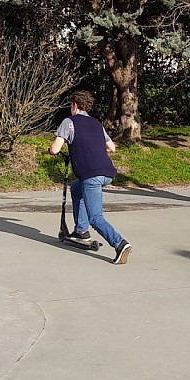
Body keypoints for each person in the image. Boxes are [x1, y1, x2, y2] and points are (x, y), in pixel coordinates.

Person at [48, 90, 132, 265]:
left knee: (96, 217)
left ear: (75, 105)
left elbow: (55, 149)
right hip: (107, 172)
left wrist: (51, 150)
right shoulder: (96, 123)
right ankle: (81, 231)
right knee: (76, 189)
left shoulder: (68, 122)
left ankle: (120, 243)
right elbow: (111, 147)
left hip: (92, 176)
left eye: (71, 105)